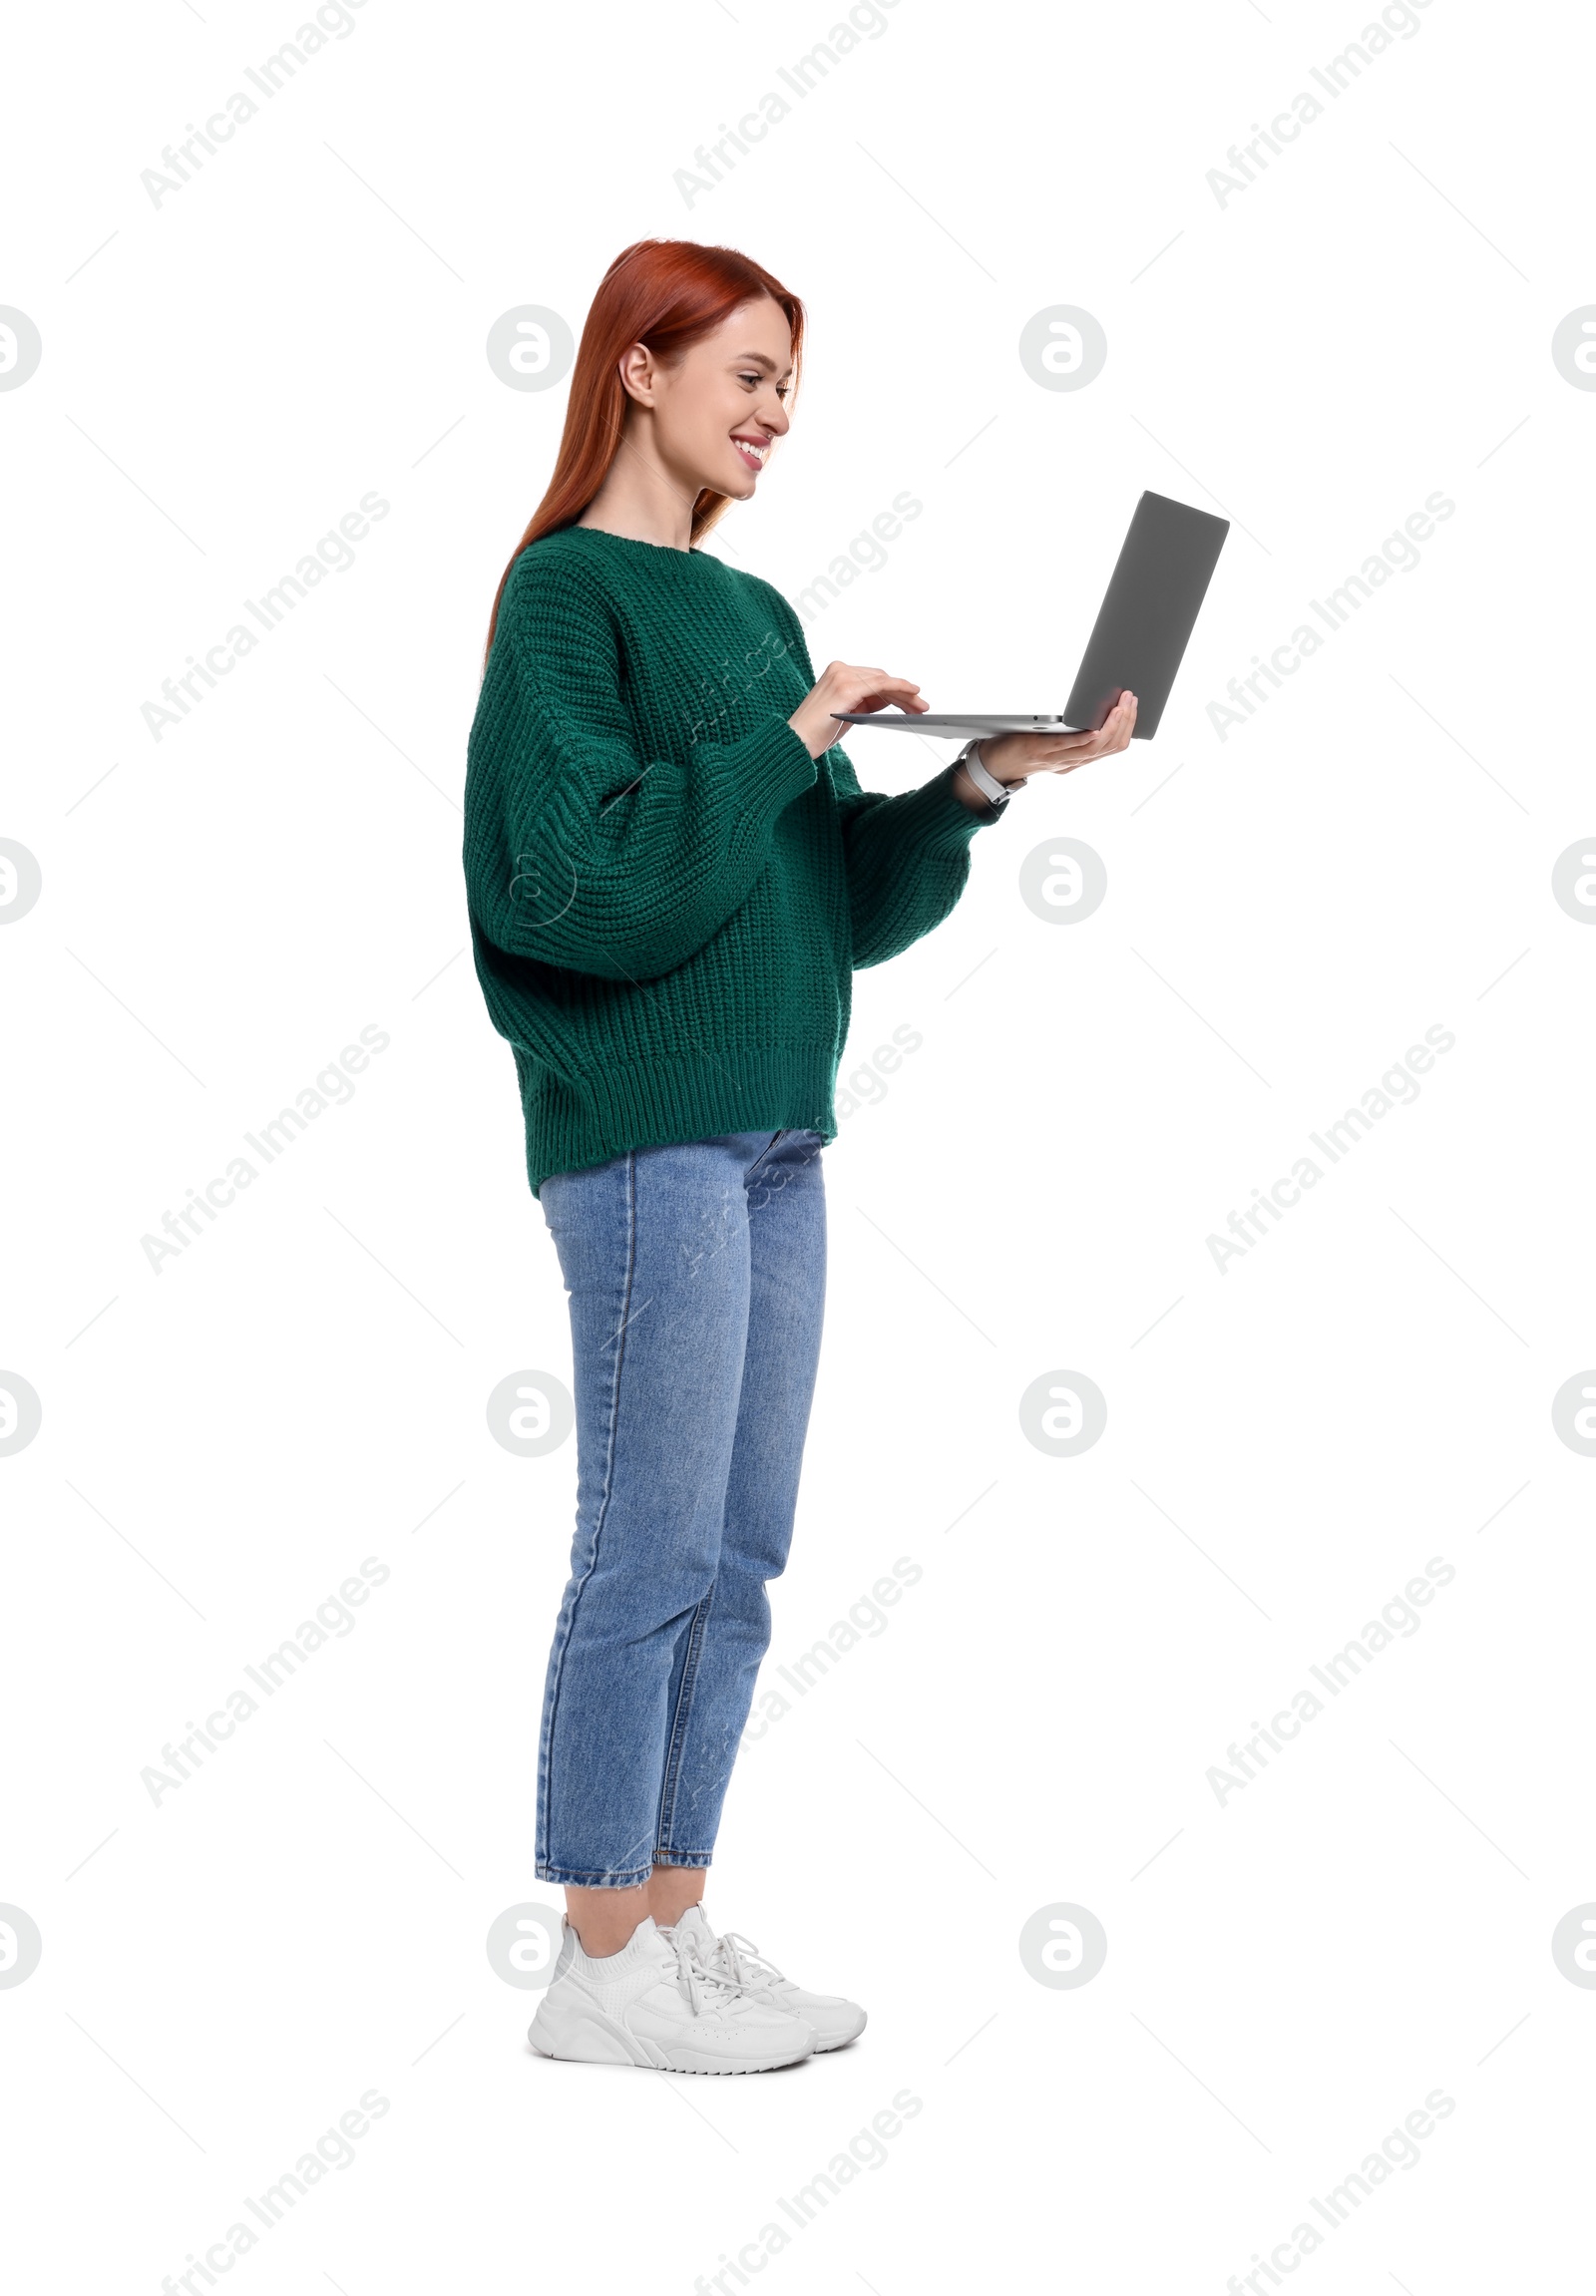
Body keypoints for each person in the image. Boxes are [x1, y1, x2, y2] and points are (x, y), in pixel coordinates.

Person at [462, 238, 1136, 2076]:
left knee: (742, 1551)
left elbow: (828, 902)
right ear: (637, 373)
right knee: (648, 1540)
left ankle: (674, 1921)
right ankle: (596, 1955)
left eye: (789, 389)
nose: (772, 415)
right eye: (746, 373)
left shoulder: (754, 615)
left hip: (777, 1134)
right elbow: (577, 892)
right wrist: (786, 738)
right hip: (644, 1139)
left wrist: (979, 782)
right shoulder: (561, 605)